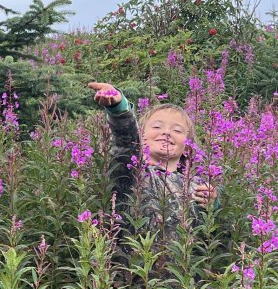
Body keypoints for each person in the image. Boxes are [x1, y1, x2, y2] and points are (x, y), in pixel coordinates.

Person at [88, 82, 217, 249]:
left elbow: (210, 237)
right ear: (140, 136)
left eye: (177, 130)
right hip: (132, 271)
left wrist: (213, 204)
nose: (167, 132)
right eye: (156, 127)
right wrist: (120, 110)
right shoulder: (133, 174)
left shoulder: (196, 185)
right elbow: (125, 142)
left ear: (188, 146)